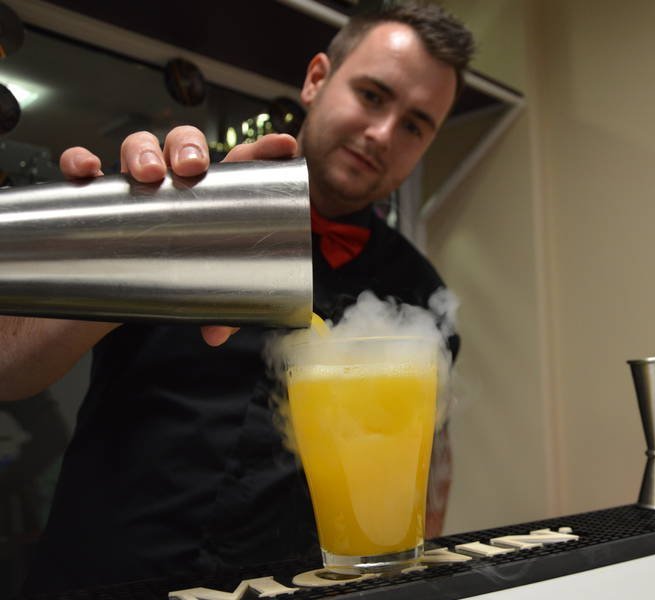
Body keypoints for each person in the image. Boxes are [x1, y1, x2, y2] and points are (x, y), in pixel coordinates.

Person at [1, 2, 474, 594]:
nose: (383, 133)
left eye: (415, 125)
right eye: (372, 95)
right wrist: (132, 237)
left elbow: (427, 468)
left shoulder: (421, 290)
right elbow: (7, 368)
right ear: (317, 79)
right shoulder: (180, 205)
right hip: (103, 580)